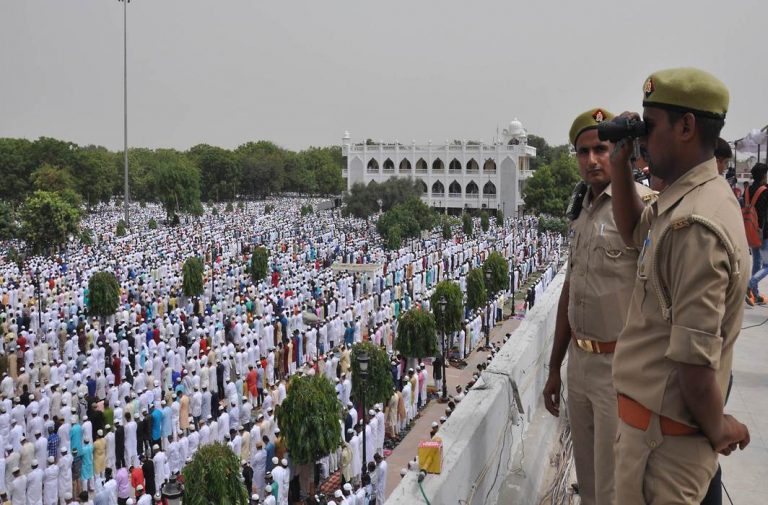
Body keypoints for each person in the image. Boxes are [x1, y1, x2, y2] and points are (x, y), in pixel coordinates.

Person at [609, 67, 751, 504]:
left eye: (650, 127)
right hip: (655, 436)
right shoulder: (687, 198)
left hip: (661, 451)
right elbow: (634, 230)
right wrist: (621, 163)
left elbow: (693, 364)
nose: (644, 137)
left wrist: (721, 427)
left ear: (686, 126)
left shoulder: (696, 225)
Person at [542, 108, 653, 505]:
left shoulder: (639, 207)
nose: (591, 160)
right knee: (587, 476)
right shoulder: (582, 210)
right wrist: (554, 367)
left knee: (613, 482)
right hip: (581, 363)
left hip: (617, 368)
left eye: (601, 149)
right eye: (582, 151)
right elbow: (571, 291)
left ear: (617, 151)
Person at [745, 163, 768, 305]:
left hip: (750, 231)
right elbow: (764, 215)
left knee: (757, 263)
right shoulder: (765, 191)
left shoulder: (747, 189)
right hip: (763, 233)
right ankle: (749, 285)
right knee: (767, 265)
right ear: (763, 175)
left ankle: (755, 293)